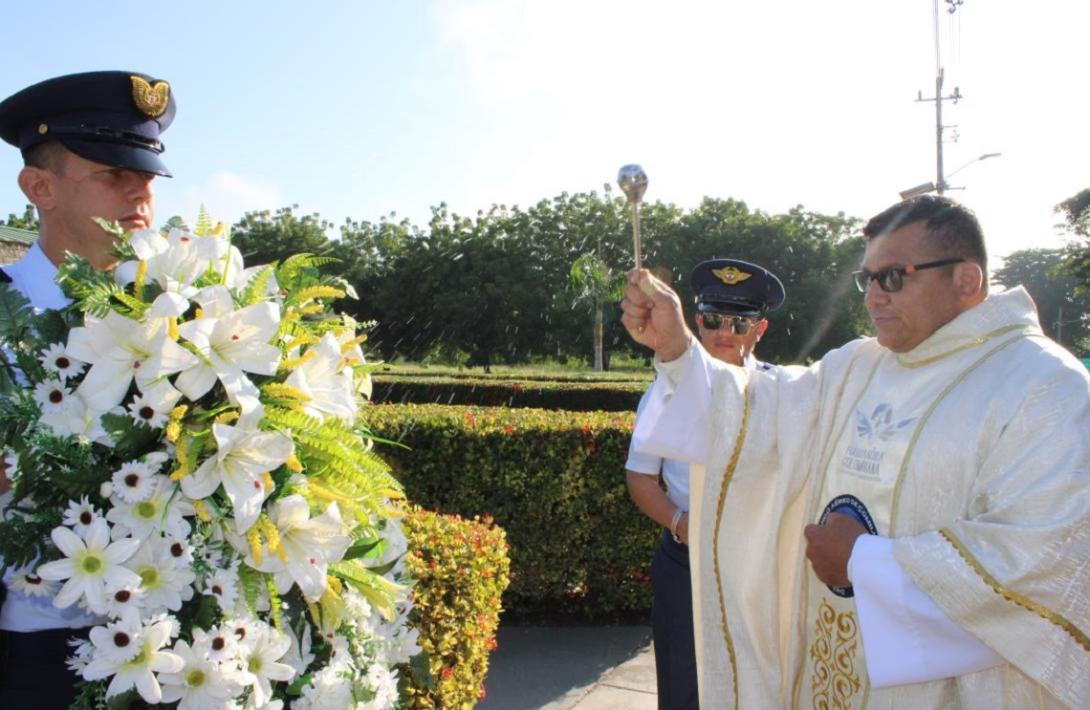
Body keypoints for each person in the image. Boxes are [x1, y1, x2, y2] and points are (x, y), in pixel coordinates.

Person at [619, 195, 1090, 708]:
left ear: (966, 281)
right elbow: (762, 416)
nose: (873, 299)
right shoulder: (860, 366)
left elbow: (1048, 560)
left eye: (893, 277)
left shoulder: (1044, 385)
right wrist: (677, 349)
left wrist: (865, 563)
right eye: (868, 279)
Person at [0, 70, 176, 707]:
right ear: (39, 187)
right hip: (32, 655)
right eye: (110, 171)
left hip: (167, 645)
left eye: (148, 175)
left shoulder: (184, 316)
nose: (139, 191)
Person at [625, 258, 784, 709]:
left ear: (760, 329)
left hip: (760, 566)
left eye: (740, 322)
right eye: (713, 319)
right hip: (686, 564)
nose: (725, 333)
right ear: (696, 320)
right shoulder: (664, 391)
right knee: (685, 690)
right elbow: (640, 476)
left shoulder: (780, 393)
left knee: (761, 687)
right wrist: (681, 523)